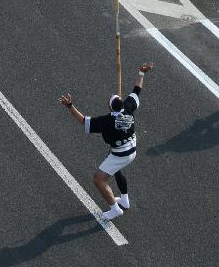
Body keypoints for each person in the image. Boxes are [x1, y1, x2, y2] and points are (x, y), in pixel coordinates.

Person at [60, 62, 155, 219]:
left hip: (121, 154)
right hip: (131, 148)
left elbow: (83, 121)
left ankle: (114, 209)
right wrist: (141, 73)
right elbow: (137, 89)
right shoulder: (129, 107)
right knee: (116, 169)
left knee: (99, 179)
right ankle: (124, 201)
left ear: (110, 107)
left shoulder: (106, 122)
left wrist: (70, 106)